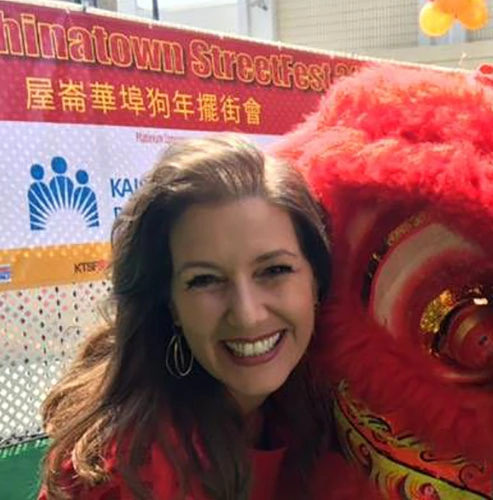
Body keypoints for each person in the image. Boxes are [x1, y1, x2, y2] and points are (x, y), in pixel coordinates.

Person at [38, 135, 333, 499]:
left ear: (316, 280)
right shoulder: (122, 475)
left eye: (274, 270)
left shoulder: (329, 403)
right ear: (170, 303)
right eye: (205, 280)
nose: (247, 315)